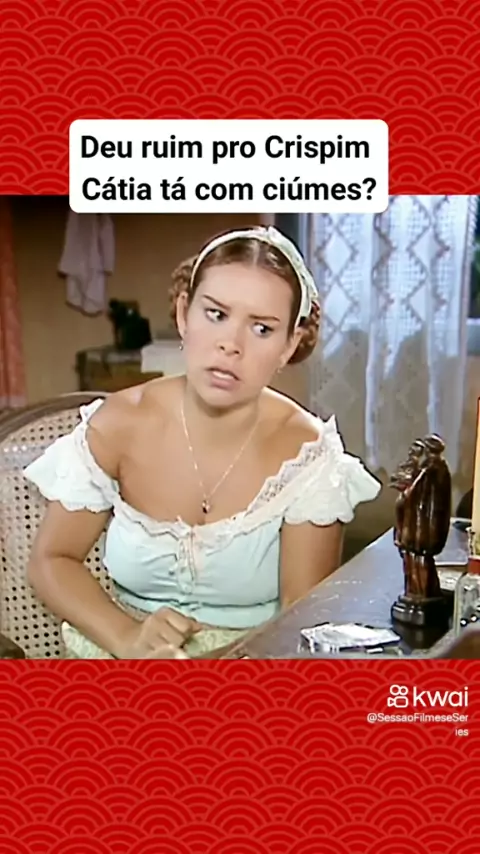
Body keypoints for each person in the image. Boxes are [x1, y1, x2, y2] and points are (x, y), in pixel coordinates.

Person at [23, 225, 381, 659]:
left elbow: (301, 617)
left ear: (289, 345)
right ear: (184, 314)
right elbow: (52, 560)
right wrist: (128, 638)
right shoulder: (117, 423)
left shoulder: (311, 456)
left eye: (262, 329)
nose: (230, 344)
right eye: (216, 314)